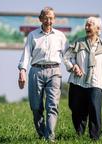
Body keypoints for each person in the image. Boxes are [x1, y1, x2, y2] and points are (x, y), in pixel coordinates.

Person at [17, 7, 68, 142]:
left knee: (52, 106)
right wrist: (22, 71)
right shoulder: (32, 35)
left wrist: (72, 67)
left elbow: (67, 56)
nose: (48, 21)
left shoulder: (60, 36)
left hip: (54, 72)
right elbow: (26, 55)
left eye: (51, 18)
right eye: (46, 18)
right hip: (36, 71)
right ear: (40, 19)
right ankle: (42, 134)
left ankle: (50, 137)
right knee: (36, 107)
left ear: (54, 19)